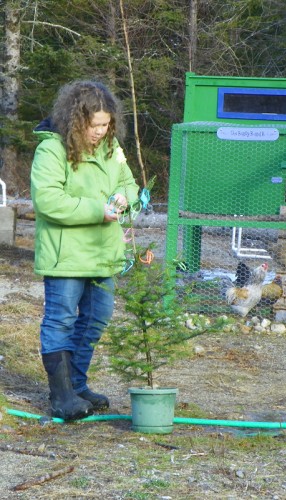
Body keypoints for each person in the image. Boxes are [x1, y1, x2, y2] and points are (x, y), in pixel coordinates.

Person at [31, 81, 139, 420]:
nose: (101, 132)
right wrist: (98, 210)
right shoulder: (52, 150)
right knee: (60, 320)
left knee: (96, 318)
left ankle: (76, 385)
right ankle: (61, 395)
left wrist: (126, 200)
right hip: (66, 256)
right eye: (94, 126)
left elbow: (130, 186)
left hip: (103, 253)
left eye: (106, 125)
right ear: (76, 121)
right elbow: (48, 201)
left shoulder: (111, 149)